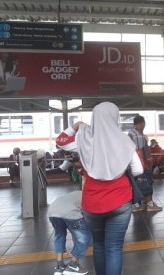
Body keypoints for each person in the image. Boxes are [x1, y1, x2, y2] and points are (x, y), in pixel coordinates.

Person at [56, 102, 144, 275]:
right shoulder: (124, 140)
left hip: (92, 204)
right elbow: (138, 170)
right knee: (114, 248)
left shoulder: (84, 139)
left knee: (99, 245)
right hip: (120, 201)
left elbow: (61, 142)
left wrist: (77, 125)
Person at [48, 190, 90, 275]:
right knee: (84, 237)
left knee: (59, 235)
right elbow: (88, 215)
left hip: (52, 212)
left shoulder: (77, 193)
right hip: (69, 212)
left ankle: (59, 266)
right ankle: (73, 265)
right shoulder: (90, 196)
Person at [128, 115, 162, 212]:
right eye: (143, 124)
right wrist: (148, 163)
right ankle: (150, 204)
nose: (143, 126)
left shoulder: (130, 134)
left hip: (133, 165)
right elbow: (142, 150)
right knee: (146, 183)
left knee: (136, 184)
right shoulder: (138, 135)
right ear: (140, 124)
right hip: (141, 164)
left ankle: (138, 205)